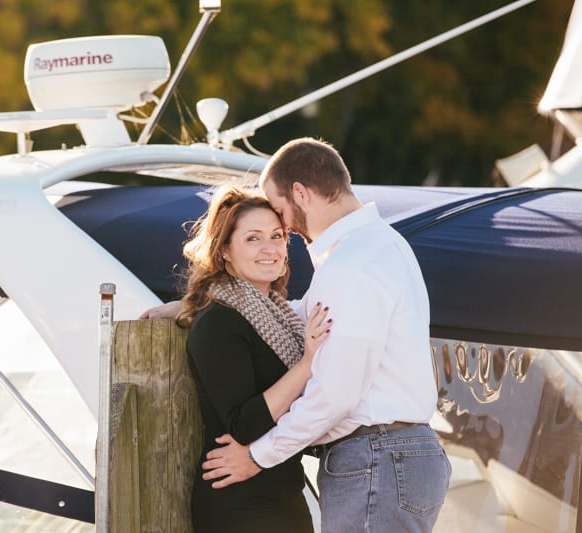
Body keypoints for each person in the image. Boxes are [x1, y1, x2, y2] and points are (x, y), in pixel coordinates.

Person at [143, 138, 451, 532]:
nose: (282, 226)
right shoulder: (379, 246)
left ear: (301, 194)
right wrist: (197, 302)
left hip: (377, 457)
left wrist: (257, 456)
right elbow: (303, 311)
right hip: (393, 457)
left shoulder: (351, 264)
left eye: (279, 212)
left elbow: (335, 394)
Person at [177, 185, 330, 532]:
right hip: (240, 504)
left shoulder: (279, 316)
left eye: (277, 236)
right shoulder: (219, 321)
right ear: (225, 250)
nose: (270, 249)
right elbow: (243, 425)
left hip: (284, 495)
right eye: (253, 239)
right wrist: (307, 365)